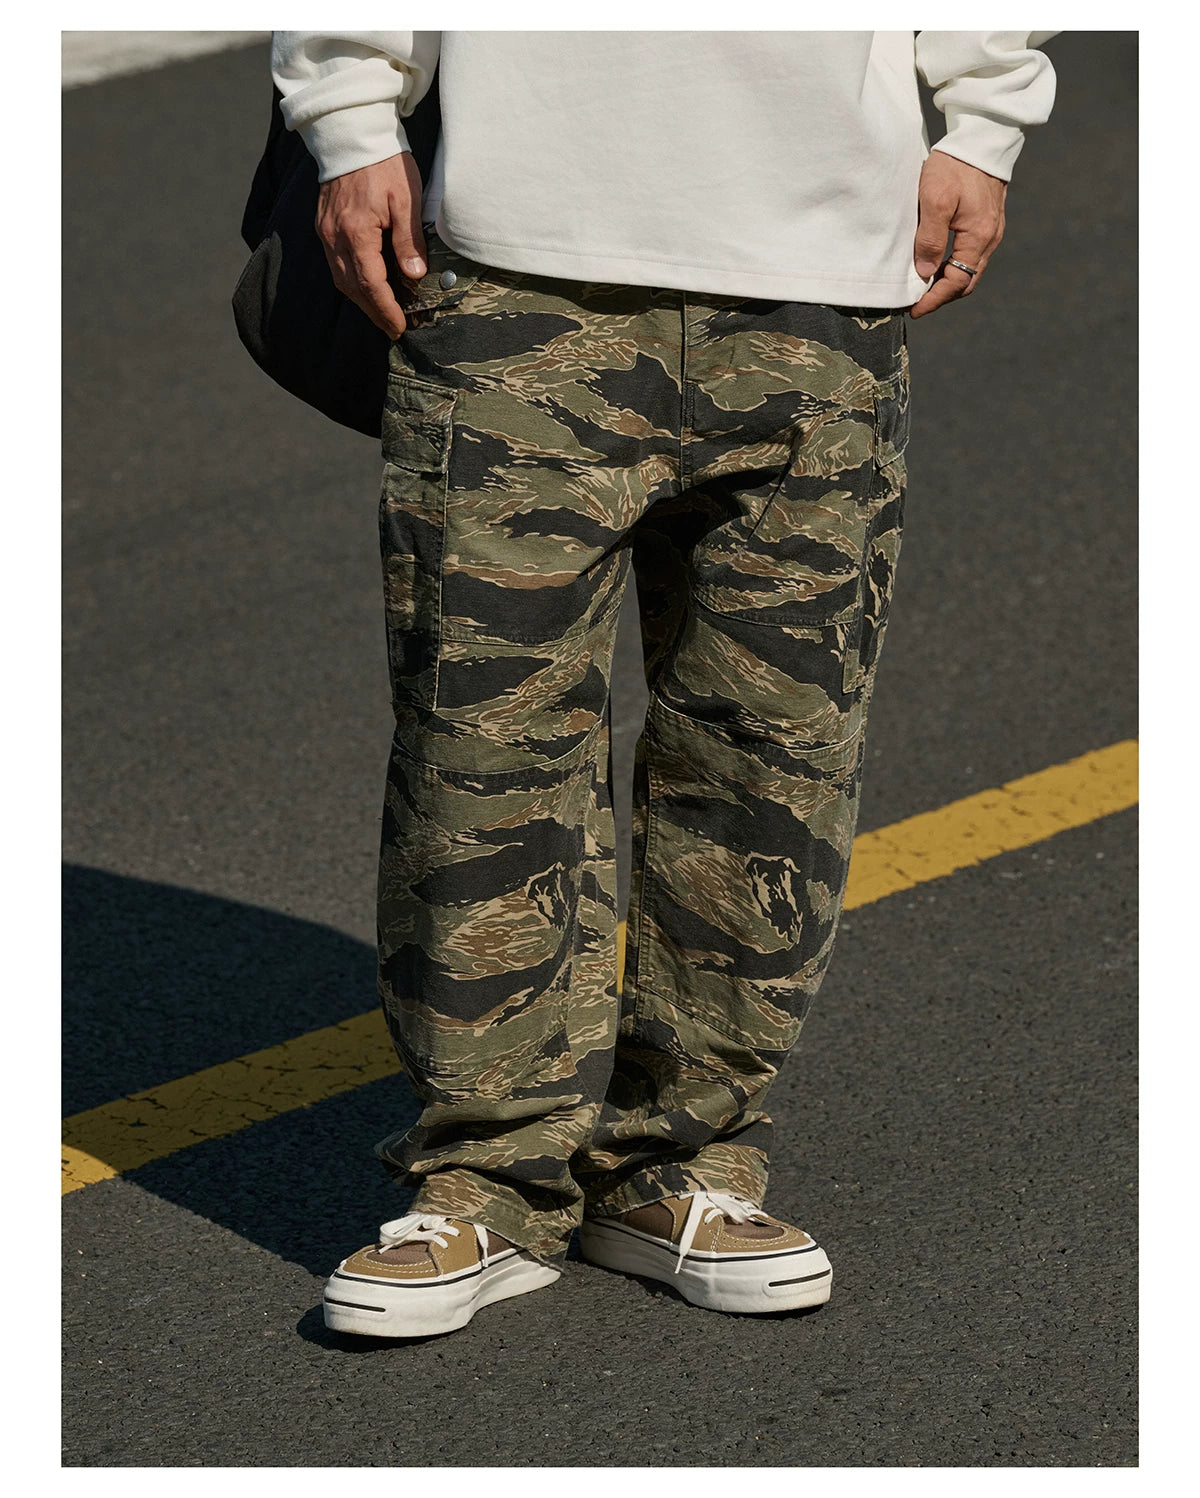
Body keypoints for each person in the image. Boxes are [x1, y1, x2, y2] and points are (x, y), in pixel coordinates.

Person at [269, 29, 1058, 1338]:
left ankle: (682, 1164)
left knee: (772, 750)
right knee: (485, 746)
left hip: (820, 276)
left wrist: (985, 119)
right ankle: (485, 1181)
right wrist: (351, 119)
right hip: (517, 264)